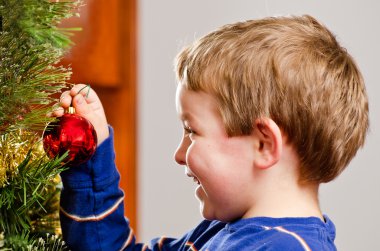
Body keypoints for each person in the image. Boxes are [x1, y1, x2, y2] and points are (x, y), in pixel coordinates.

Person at [53, 15, 368, 250]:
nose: (179, 155)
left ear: (263, 144)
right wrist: (90, 154)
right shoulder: (217, 232)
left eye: (192, 131)